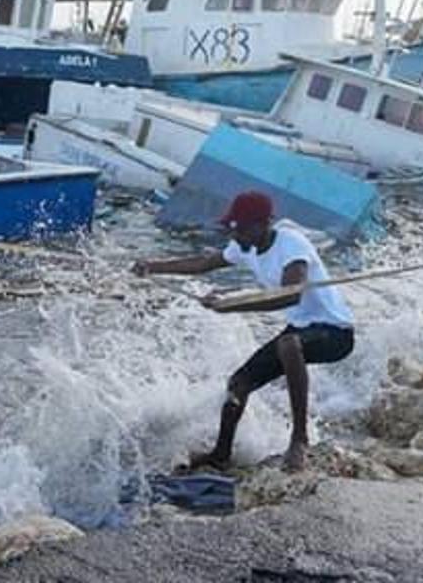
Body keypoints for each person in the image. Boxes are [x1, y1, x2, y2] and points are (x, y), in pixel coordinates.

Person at [133, 191, 356, 472]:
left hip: (335, 333)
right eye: (233, 228)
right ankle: (221, 453)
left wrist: (232, 305)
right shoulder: (244, 247)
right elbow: (202, 264)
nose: (235, 234)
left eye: (241, 228)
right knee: (238, 384)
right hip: (301, 330)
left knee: (288, 344)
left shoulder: (292, 244)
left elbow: (290, 295)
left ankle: (299, 439)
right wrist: (153, 267)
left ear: (263, 224)